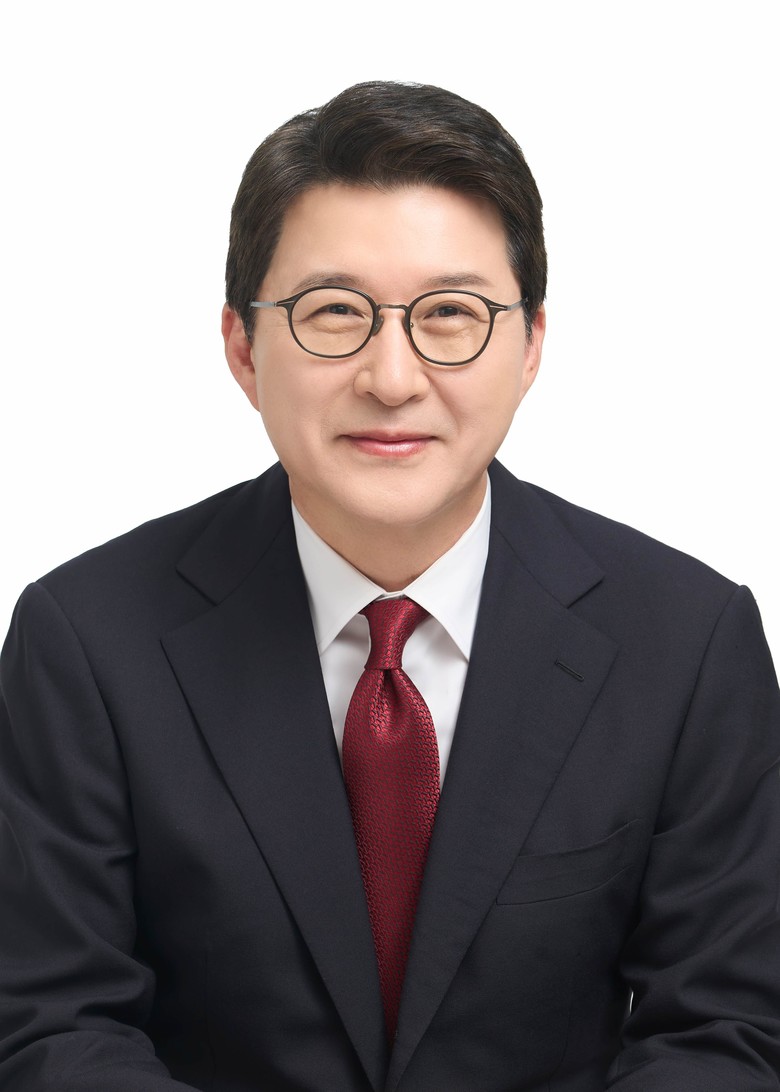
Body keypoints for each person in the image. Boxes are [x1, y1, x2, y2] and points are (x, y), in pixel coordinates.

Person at [1, 80, 779, 1092]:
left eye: (451, 314)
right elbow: (52, 1025)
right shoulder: (85, 640)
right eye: (333, 313)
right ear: (242, 347)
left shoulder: (687, 641)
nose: (393, 377)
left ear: (532, 345)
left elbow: (729, 1028)